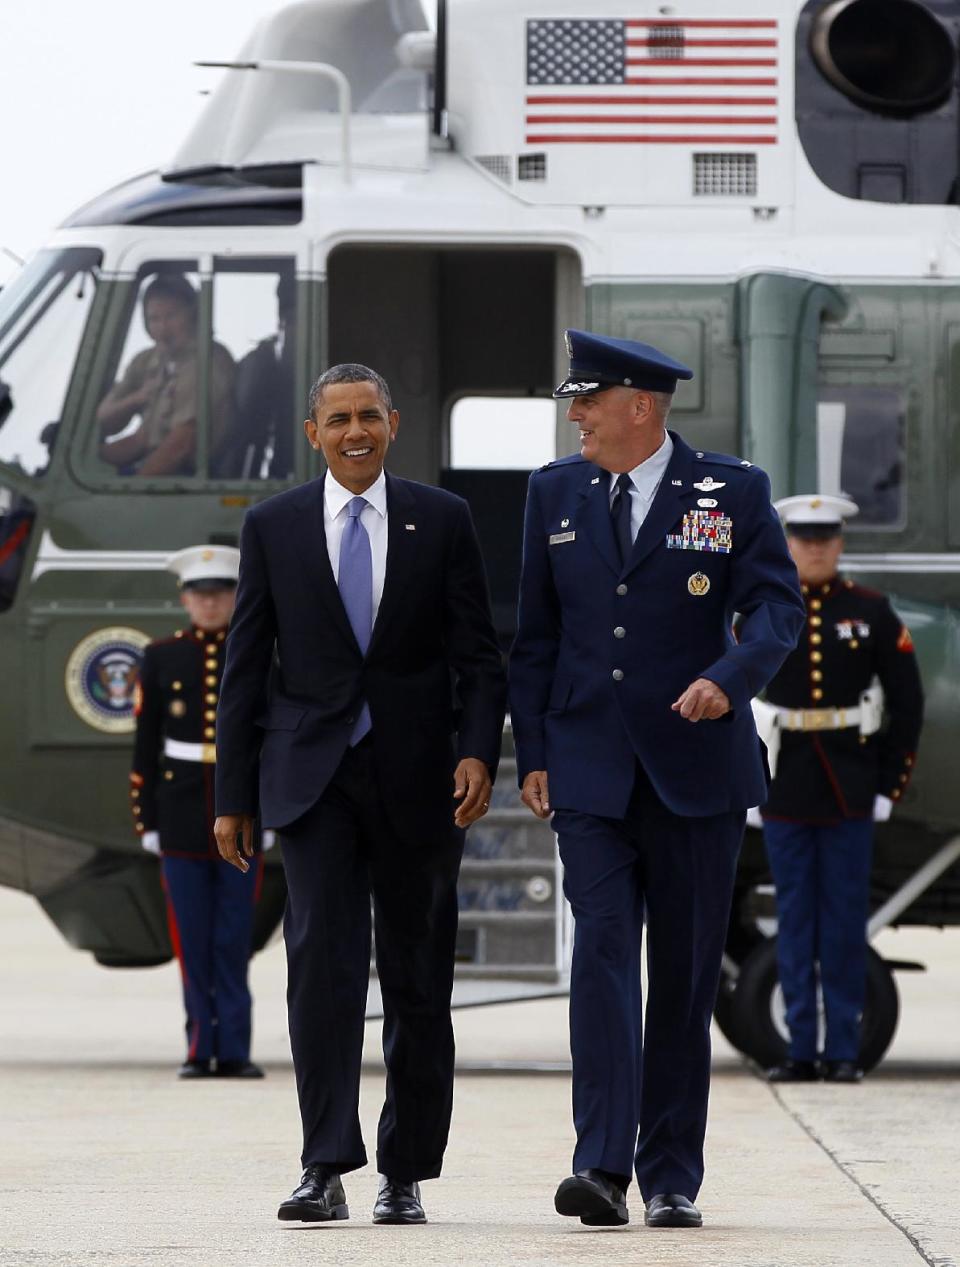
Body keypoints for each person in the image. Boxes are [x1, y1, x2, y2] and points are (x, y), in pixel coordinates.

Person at [509, 329, 805, 1230]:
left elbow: (775, 608)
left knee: (679, 978)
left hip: (696, 771)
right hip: (590, 770)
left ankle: (672, 1173)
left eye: (588, 399)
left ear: (641, 405)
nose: (576, 415)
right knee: (601, 960)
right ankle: (599, 1166)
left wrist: (732, 677)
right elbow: (537, 637)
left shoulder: (732, 490)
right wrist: (534, 754)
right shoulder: (553, 490)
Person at [213, 363, 506, 1226]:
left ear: (393, 422)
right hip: (312, 782)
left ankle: (406, 1169)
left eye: (368, 415)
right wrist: (234, 793)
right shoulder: (272, 527)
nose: (354, 431)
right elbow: (244, 667)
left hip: (421, 782)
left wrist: (478, 752)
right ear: (313, 433)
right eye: (337, 418)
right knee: (323, 973)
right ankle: (324, 1163)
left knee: (417, 978)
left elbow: (479, 656)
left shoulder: (443, 519)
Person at [759, 494, 924, 1083]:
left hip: (851, 786)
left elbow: (907, 704)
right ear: (788, 543)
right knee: (794, 922)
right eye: (804, 537)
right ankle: (801, 1050)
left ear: (840, 543)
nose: (816, 547)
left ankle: (845, 1052)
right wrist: (750, 782)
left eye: (825, 537)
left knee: (844, 922)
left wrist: (889, 786)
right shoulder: (764, 611)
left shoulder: (872, 611)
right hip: (785, 787)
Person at [130, 544, 265, 1079]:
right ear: (185, 600)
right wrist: (147, 819)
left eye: (221, 594)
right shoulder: (161, 655)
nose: (210, 605)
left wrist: (266, 813)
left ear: (236, 597)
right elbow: (145, 742)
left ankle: (233, 1048)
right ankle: (197, 1047)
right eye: (199, 595)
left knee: (233, 936)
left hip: (243, 812)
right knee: (190, 937)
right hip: (181, 811)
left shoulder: (254, 650)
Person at [98, 274, 235, 476]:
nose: (162, 328)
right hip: (156, 468)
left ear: (192, 315)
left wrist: (131, 493)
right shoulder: (151, 360)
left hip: (183, 478)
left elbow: (179, 446)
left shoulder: (206, 363)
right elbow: (135, 438)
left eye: (171, 316)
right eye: (154, 319)